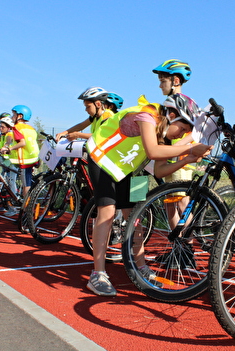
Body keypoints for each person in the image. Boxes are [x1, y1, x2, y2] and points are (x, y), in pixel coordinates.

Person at [84, 95, 212, 296]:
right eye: (183, 129)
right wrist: (189, 147)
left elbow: (160, 171)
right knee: (107, 214)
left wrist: (187, 157)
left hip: (129, 170)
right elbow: (152, 152)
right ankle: (98, 273)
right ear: (172, 116)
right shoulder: (147, 115)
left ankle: (141, 266)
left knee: (136, 217)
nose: (182, 135)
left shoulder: (163, 133)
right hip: (103, 160)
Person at [152, 59, 197, 230]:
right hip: (169, 157)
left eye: (163, 81)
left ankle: (188, 247)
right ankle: (177, 246)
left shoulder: (183, 102)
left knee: (182, 203)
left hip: (181, 160)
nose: (160, 86)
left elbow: (195, 131)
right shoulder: (167, 104)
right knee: (170, 206)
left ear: (175, 81)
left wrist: (178, 148)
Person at [0, 105, 40, 216]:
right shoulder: (30, 128)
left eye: (13, 114)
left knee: (26, 186)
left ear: (20, 116)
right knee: (25, 183)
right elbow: (10, 137)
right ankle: (25, 207)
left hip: (25, 160)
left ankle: (27, 212)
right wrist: (7, 143)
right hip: (33, 157)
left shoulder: (17, 127)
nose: (12, 117)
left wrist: (8, 148)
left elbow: (22, 142)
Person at [55, 87, 124, 142]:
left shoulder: (107, 116)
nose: (86, 110)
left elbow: (101, 136)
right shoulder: (95, 116)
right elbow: (81, 125)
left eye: (88, 107)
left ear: (98, 104)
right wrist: (64, 132)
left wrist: (78, 135)